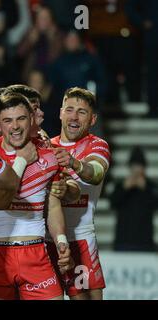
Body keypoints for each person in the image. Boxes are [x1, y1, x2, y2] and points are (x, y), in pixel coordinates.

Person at [0, 93, 73, 300]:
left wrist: (61, 241)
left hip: (35, 255)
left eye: (21, 119)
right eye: (7, 120)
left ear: (31, 119)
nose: (15, 126)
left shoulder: (50, 155)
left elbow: (53, 205)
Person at [49, 87, 111, 300]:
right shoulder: (46, 146)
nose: (74, 117)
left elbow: (96, 173)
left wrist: (74, 163)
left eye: (82, 112)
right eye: (69, 109)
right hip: (47, 239)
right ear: (60, 113)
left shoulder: (97, 145)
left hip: (81, 238)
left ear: (92, 119)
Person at [110, 147, 157, 252]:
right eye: (134, 166)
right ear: (130, 167)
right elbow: (112, 203)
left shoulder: (151, 187)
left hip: (145, 242)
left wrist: (145, 189)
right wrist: (124, 188)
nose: (136, 169)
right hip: (123, 241)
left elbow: (155, 204)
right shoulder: (121, 185)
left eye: (139, 166)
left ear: (144, 167)